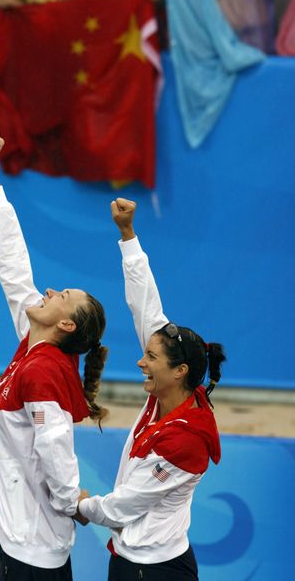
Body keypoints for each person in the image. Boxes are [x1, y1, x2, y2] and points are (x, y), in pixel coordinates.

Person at [0, 131, 108, 581]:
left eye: (62, 295)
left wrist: (72, 500)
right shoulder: (35, 343)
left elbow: (56, 447)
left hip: (32, 554)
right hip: (18, 537)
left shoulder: (45, 372)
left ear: (66, 324)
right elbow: (13, 266)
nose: (49, 289)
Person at [77, 198, 226, 581]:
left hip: (152, 571)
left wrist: (82, 505)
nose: (142, 362)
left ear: (179, 371)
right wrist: (127, 235)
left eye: (150, 358)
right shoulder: (173, 390)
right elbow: (145, 305)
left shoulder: (185, 440)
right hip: (134, 560)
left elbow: (124, 507)